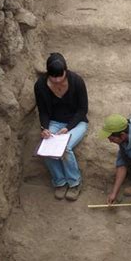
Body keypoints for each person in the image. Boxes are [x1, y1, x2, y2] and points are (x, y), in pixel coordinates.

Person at [34, 53, 88, 201]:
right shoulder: (40, 86)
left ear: (66, 71)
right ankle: (60, 182)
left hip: (77, 123)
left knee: (65, 148)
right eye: (53, 78)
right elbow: (43, 111)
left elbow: (83, 109)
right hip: (55, 122)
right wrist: (44, 128)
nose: (57, 81)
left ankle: (74, 182)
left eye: (61, 77)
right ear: (47, 74)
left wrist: (69, 127)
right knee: (47, 148)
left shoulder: (77, 82)